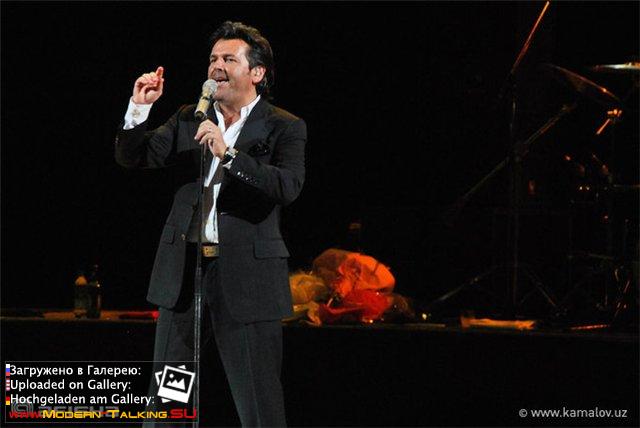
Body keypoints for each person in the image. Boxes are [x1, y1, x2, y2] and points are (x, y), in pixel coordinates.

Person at [115, 21, 306, 427]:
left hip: (247, 279)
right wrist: (139, 109)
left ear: (257, 72)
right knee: (168, 404)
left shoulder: (284, 125)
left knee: (258, 406)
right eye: (213, 59)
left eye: (229, 59)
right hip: (185, 275)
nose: (217, 67)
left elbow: (287, 186)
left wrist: (230, 155)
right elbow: (135, 158)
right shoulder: (189, 117)